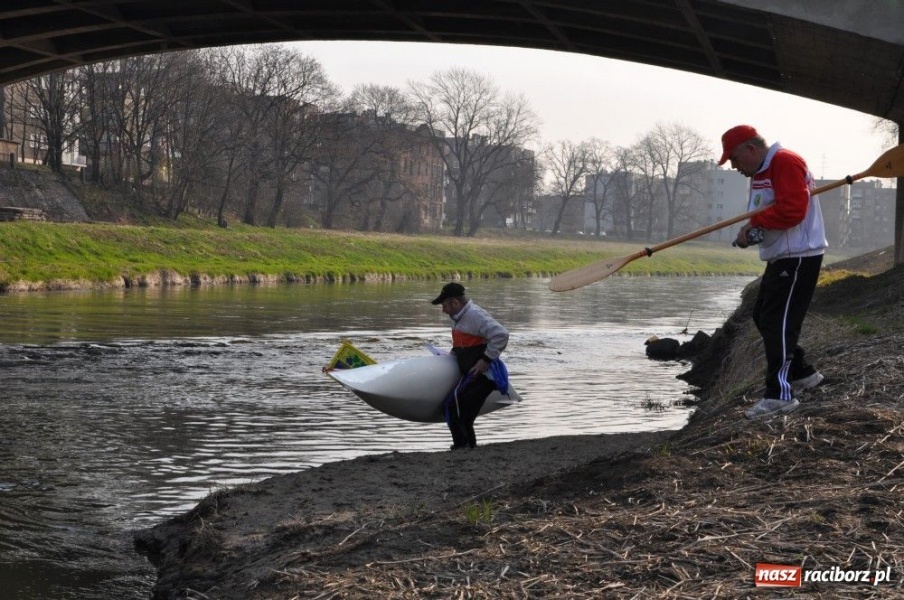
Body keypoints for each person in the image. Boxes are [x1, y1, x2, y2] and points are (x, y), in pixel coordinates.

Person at [719, 125, 826, 420]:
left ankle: (779, 395)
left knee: (778, 322)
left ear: (750, 149)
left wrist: (754, 225)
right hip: (781, 256)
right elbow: (769, 213)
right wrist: (750, 233)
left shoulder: (784, 162)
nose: (734, 166)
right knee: (762, 315)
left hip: (798, 256)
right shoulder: (762, 172)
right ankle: (802, 373)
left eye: (734, 158)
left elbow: (792, 210)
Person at [431, 282, 509, 449]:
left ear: (455, 303)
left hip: (484, 375)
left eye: (444, 306)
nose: (443, 310)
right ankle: (466, 447)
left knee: (454, 407)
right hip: (471, 373)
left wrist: (485, 360)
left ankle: (463, 447)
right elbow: (463, 344)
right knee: (460, 411)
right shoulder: (457, 318)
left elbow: (501, 334)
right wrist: (451, 356)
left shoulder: (474, 315)